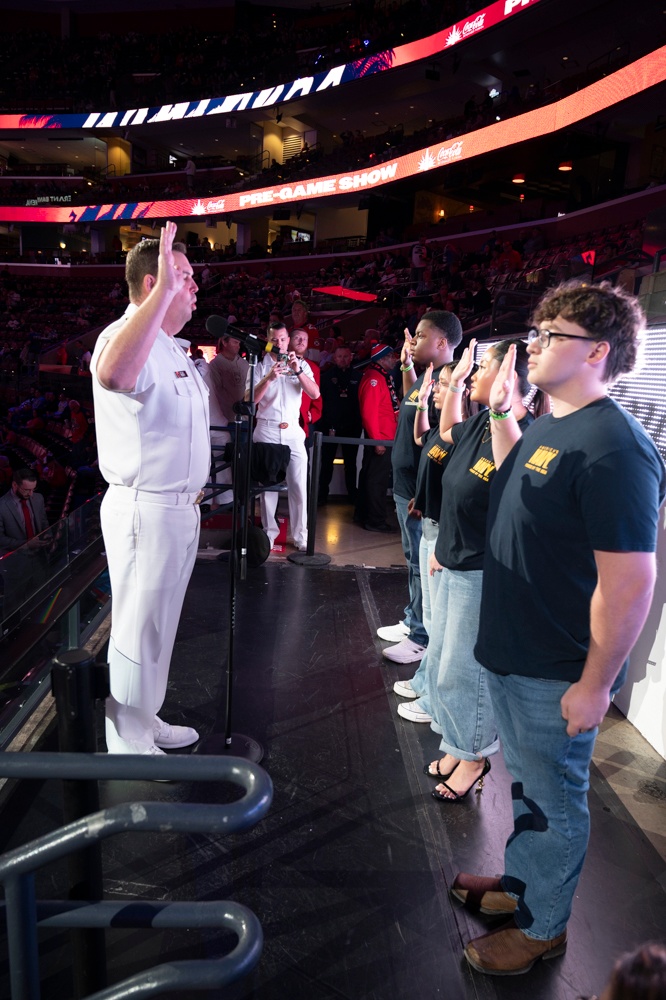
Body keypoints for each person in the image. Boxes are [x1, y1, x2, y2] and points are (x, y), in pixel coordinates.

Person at [457, 281, 665, 975]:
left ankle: (544, 926)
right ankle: (524, 887)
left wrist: (595, 683)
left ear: (598, 352)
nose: (536, 344)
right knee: (527, 793)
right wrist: (501, 412)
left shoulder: (616, 447)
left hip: (556, 669)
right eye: (539, 332)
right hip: (515, 655)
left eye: (554, 336)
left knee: (554, 801)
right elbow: (523, 477)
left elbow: (630, 582)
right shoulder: (553, 421)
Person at [90, 223, 209, 756]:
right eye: (182, 276)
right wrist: (163, 293)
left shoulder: (171, 347)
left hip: (179, 509)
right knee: (139, 626)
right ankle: (126, 736)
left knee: (159, 626)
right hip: (146, 507)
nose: (193, 286)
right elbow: (114, 375)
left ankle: (144, 715)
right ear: (148, 283)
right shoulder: (122, 336)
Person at [417, 339, 547, 796]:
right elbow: (446, 429)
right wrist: (453, 382)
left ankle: (473, 759)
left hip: (483, 573)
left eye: (481, 369)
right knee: (444, 665)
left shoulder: (520, 434)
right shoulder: (474, 426)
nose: (472, 376)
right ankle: (456, 745)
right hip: (454, 561)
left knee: (466, 671)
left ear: (509, 381)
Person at [380, 310, 462, 668]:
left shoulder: (451, 385)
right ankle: (414, 619)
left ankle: (421, 637)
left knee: (419, 564)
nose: (412, 342)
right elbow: (414, 404)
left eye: (420, 336)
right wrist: (405, 367)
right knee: (412, 560)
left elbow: (445, 444)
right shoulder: (426, 377)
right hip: (406, 486)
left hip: (418, 491)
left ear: (442, 342)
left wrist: (426, 492)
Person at [248, 321, 320, 550]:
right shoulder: (259, 366)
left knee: (299, 486)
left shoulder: (302, 365)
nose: (278, 343)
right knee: (267, 488)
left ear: (288, 341)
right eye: (273, 340)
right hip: (266, 429)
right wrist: (269, 378)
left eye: (282, 339)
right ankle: (269, 534)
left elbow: (315, 393)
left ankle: (301, 536)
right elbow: (248, 400)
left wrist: (296, 369)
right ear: (268, 342)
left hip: (292, 431)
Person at [354, 343, 399, 532]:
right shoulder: (374, 378)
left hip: (384, 436)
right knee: (376, 480)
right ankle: (375, 520)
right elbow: (369, 413)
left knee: (370, 477)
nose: (395, 359)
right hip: (381, 438)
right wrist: (377, 440)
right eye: (391, 356)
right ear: (382, 358)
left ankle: (364, 515)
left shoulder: (379, 376)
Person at [203, 334, 249, 506]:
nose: (239, 344)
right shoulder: (215, 365)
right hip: (226, 420)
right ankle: (219, 500)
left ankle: (238, 499)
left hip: (244, 420)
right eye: (236, 341)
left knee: (241, 462)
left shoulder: (244, 364)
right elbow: (216, 393)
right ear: (224, 342)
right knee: (223, 462)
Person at [317, 344, 362, 505]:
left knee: (351, 463)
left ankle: (353, 496)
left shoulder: (359, 377)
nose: (343, 359)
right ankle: (321, 495)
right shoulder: (325, 377)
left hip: (352, 426)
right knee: (326, 462)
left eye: (346, 356)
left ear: (351, 357)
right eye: (339, 356)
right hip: (330, 426)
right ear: (334, 358)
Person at [0, 468, 49, 555]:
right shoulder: (2, 506)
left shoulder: (38, 498)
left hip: (40, 555)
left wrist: (48, 534)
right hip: (16, 558)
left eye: (33, 489)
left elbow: (43, 521)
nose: (31, 494)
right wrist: (26, 544)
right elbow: (1, 538)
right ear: (15, 485)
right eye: (26, 490)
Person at [289, 328, 322, 436]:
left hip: (302, 423)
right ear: (289, 340)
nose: (301, 341)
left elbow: (317, 396)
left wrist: (313, 414)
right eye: (297, 338)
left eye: (305, 339)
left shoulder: (313, 368)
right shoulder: (277, 362)